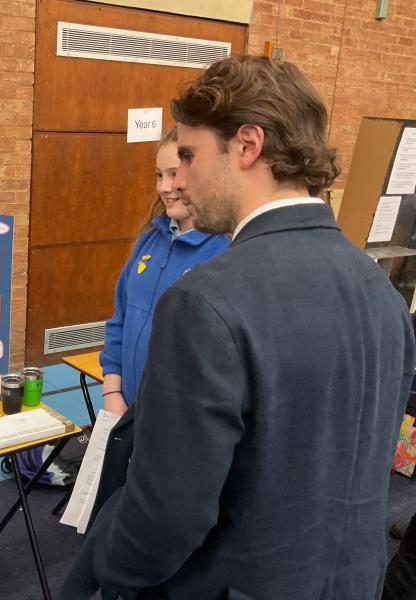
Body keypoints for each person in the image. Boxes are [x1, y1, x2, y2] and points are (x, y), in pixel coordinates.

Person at [60, 55, 414, 600]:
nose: (180, 179)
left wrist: (106, 574)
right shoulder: (381, 291)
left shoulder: (205, 302)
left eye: (189, 155)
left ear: (246, 145)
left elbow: (168, 513)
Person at [99, 128, 229, 415]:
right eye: (159, 175)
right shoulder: (149, 241)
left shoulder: (224, 253)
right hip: (126, 410)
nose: (165, 187)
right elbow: (119, 321)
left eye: (174, 174)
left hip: (177, 420)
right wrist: (112, 391)